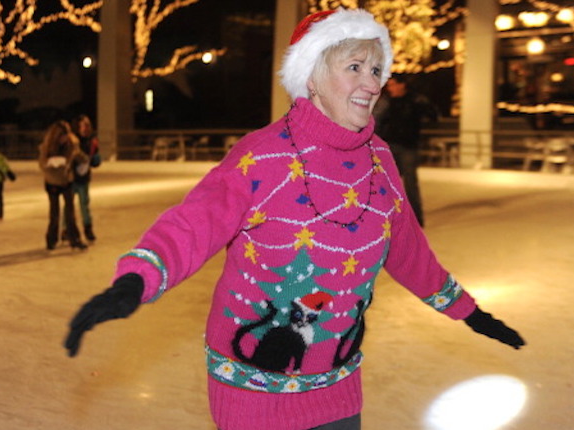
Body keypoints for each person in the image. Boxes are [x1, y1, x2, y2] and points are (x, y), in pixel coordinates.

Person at [64, 8, 524, 430]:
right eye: (354, 67)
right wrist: (135, 281)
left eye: (377, 69)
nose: (372, 82)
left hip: (338, 386)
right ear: (312, 78)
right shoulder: (262, 156)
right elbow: (193, 222)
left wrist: (468, 311)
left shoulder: (381, 161)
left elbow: (407, 252)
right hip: (253, 391)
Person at [374, 74, 438, 227]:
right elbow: (375, 122)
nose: (390, 89)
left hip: (408, 146)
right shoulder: (385, 102)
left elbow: (433, 116)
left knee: (410, 183)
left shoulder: (415, 100)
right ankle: (386, 217)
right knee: (385, 183)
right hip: (388, 147)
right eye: (389, 86)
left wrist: (424, 106)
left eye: (393, 85)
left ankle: (416, 218)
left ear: (402, 85)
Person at [38, 120, 89, 251]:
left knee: (70, 213)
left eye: (66, 136)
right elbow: (42, 164)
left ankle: (75, 239)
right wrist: (52, 163)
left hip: (67, 181)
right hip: (52, 182)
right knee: (54, 213)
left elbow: (79, 155)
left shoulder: (71, 145)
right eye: (62, 137)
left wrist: (85, 161)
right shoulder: (47, 147)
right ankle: (51, 239)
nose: (64, 139)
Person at [70, 114, 101, 242]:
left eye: (87, 125)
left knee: (84, 204)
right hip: (71, 178)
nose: (85, 128)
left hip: (84, 178)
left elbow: (95, 158)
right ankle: (66, 229)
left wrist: (95, 160)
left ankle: (88, 228)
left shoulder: (92, 141)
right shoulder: (73, 141)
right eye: (83, 125)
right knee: (68, 206)